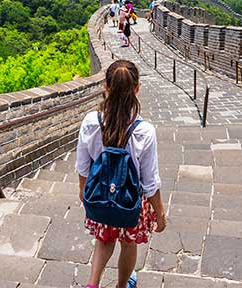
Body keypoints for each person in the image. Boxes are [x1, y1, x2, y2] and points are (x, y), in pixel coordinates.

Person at [76, 60, 167, 288]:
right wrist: (160, 213)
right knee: (128, 244)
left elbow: (83, 168)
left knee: (104, 240)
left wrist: (83, 194)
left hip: (100, 197)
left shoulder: (91, 122)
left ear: (106, 87)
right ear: (137, 89)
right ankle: (122, 286)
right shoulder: (144, 132)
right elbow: (149, 182)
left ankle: (93, 284)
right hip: (130, 202)